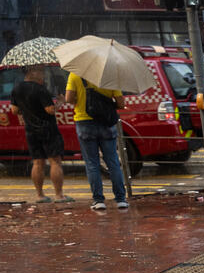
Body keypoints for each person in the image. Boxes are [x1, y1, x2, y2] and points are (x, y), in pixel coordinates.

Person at [64, 71, 127, 211]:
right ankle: (121, 199)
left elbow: (68, 99)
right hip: (106, 123)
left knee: (92, 163)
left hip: (84, 121)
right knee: (113, 161)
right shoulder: (110, 75)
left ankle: (98, 200)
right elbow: (121, 103)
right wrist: (106, 105)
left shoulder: (75, 74)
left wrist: (81, 100)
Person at [11, 66, 69, 203]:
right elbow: (50, 110)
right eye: (41, 71)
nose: (43, 74)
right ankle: (59, 195)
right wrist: (60, 103)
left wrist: (28, 112)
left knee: (37, 162)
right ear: (31, 71)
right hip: (48, 129)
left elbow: (14, 110)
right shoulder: (40, 89)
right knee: (55, 161)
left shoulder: (17, 88)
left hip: (31, 130)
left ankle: (40, 195)